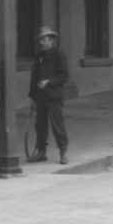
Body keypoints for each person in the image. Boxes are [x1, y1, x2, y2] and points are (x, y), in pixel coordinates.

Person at [28, 26, 70, 164]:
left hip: (53, 96)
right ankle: (41, 151)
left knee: (57, 124)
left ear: (51, 40)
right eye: (40, 40)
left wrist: (49, 82)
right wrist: (32, 96)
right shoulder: (38, 57)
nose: (42, 43)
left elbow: (64, 76)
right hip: (40, 96)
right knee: (40, 125)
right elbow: (34, 77)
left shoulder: (59, 55)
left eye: (44, 40)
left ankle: (63, 150)